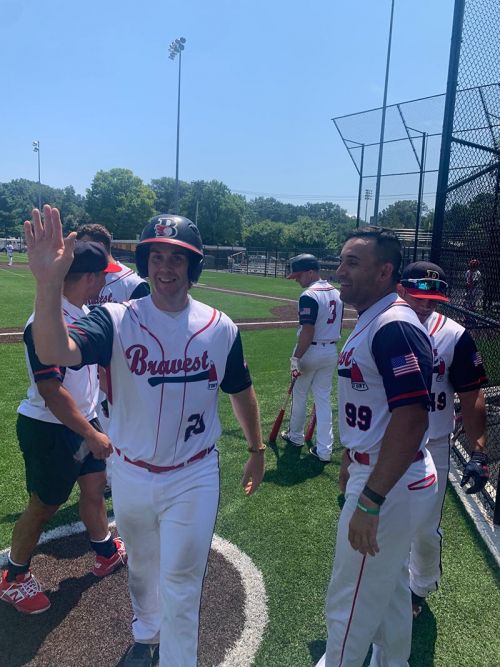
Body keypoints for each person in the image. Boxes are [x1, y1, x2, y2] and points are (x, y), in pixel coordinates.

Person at [24, 206, 265, 667]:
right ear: (145, 263)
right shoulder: (115, 318)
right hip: (131, 471)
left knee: (182, 581)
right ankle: (146, 632)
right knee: (141, 568)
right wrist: (48, 283)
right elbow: (54, 349)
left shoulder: (220, 327)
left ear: (193, 266)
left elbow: (240, 388)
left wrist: (256, 448)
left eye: (176, 258)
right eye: (156, 257)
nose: (165, 268)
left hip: (194, 474)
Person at [317, 227, 437, 667]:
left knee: (349, 601)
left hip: (389, 482)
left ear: (385, 272)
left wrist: (370, 499)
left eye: (353, 263)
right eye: (341, 260)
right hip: (384, 471)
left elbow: (411, 416)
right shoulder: (378, 316)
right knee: (388, 590)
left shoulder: (393, 325)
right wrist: (352, 457)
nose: (340, 271)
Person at [0, 241, 127, 615]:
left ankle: (104, 549)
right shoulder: (46, 321)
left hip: (82, 420)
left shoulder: (83, 312)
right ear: (88, 278)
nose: (104, 284)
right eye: (102, 277)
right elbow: (51, 391)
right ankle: (14, 578)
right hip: (50, 428)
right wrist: (91, 433)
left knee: (94, 487)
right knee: (44, 505)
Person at [398, 261, 489, 618]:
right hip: (384, 442)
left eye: (433, 299)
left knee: (424, 528)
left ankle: (418, 588)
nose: (426, 305)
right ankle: (382, 583)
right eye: (418, 296)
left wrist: (478, 451)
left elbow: (472, 393)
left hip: (431, 444)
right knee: (381, 520)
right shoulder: (380, 326)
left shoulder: (454, 334)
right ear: (401, 290)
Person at [76, 223, 150, 487]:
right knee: (98, 423)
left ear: (99, 246)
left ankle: (121, 478)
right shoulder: (82, 277)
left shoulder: (132, 283)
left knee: (122, 425)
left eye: (84, 246)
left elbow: (147, 331)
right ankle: (107, 478)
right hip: (88, 368)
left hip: (121, 370)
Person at [281, 253, 343, 462]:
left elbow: (307, 331)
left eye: (299, 275)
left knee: (299, 395)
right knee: (323, 400)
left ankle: (296, 436)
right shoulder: (337, 292)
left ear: (310, 272)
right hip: (330, 351)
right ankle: (325, 450)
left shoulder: (309, 295)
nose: (296, 280)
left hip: (310, 352)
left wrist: (296, 358)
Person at [75, 223, 150, 304]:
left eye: (86, 248)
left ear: (100, 247)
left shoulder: (133, 284)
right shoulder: (80, 282)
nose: (81, 252)